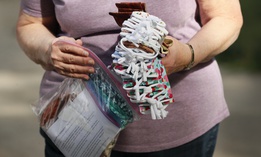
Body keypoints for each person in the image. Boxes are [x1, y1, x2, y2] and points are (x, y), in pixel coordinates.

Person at [16, 0, 243, 157]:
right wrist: (48, 49)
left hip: (177, 128)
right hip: (75, 124)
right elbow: (30, 24)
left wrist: (188, 55)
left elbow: (226, 18)